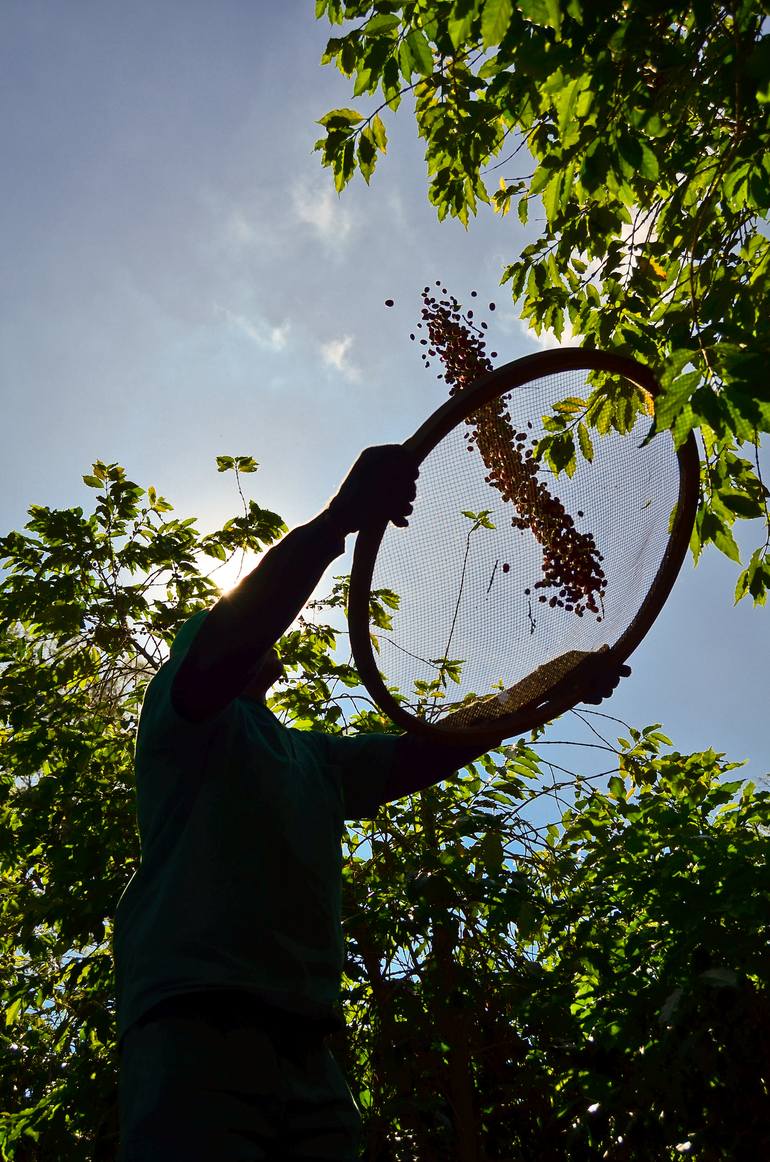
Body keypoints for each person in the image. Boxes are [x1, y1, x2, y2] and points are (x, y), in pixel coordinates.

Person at [113, 444, 628, 1161]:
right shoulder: (183, 718)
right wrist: (339, 520)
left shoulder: (310, 757)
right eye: (236, 625)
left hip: (311, 1051)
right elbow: (234, 636)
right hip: (196, 1033)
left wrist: (552, 684)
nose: (262, 637)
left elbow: (429, 748)